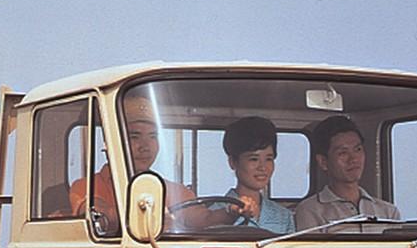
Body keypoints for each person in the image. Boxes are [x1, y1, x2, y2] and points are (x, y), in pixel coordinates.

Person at [68, 95, 196, 233]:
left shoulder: (176, 191)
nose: (145, 147)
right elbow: (99, 215)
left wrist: (222, 213)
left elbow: (201, 218)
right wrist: (153, 215)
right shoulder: (87, 186)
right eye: (134, 137)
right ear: (110, 143)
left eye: (153, 136)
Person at [294, 115, 399, 230]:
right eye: (343, 153)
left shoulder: (388, 212)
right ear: (323, 161)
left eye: (358, 149)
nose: (353, 159)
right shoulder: (310, 211)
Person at [203, 116, 295, 234]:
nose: (262, 167)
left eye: (269, 159)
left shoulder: (284, 216)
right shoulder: (214, 214)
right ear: (233, 162)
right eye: (254, 159)